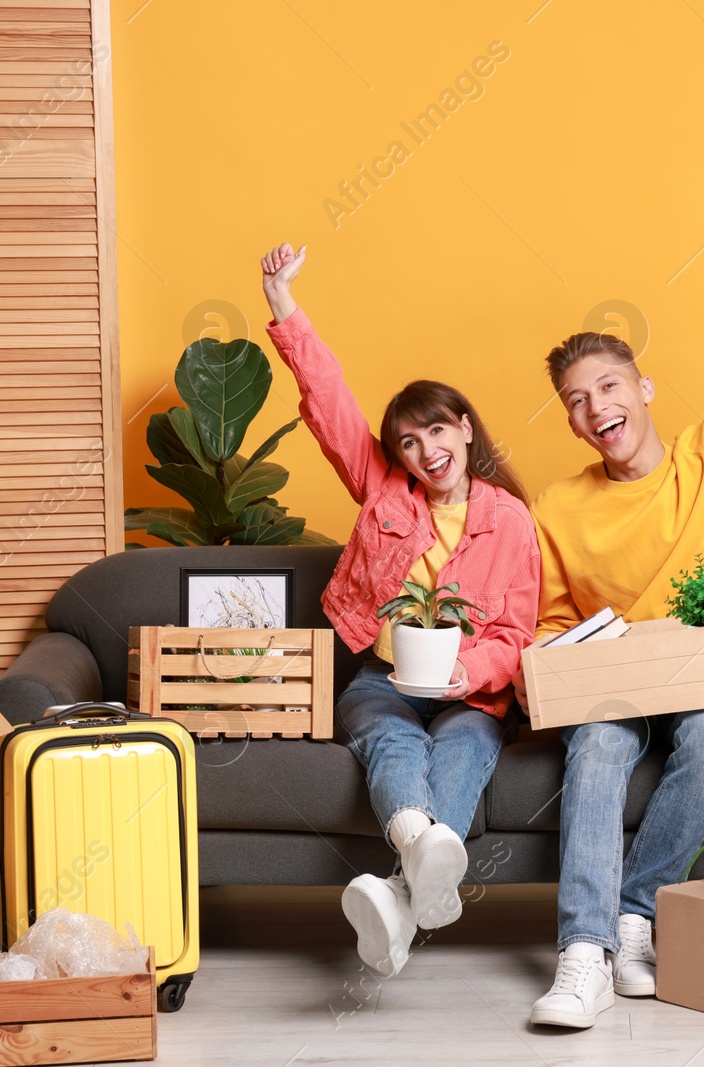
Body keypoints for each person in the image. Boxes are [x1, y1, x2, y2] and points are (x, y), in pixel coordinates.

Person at [522, 132, 704, 1029]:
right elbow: (553, 622)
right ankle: (583, 951)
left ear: (646, 386)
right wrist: (570, 648)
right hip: (620, 686)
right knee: (596, 745)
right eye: (577, 402)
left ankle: (639, 912)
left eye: (608, 387)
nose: (597, 410)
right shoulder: (560, 505)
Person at [259, 242, 541, 980]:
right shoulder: (384, 492)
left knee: (461, 748)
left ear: (466, 429)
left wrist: (465, 675)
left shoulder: (509, 519)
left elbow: (515, 634)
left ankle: (394, 894)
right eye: (409, 443)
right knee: (388, 741)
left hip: (470, 693)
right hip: (382, 679)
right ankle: (418, 846)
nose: (425, 450)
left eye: (437, 431)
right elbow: (330, 403)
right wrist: (284, 301)